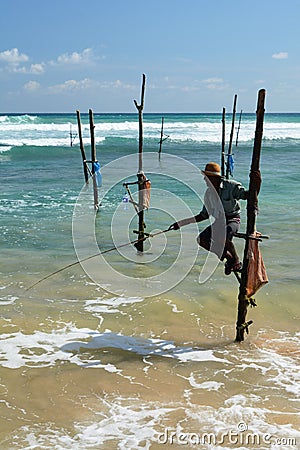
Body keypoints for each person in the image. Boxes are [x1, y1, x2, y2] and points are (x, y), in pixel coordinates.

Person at [169, 162, 261, 275]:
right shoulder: (209, 194)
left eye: (206, 178)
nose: (205, 180)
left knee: (225, 236)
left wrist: (257, 183)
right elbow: (203, 215)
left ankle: (236, 261)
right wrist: (181, 223)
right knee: (201, 240)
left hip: (233, 219)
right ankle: (228, 256)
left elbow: (249, 196)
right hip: (219, 222)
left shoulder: (230, 186)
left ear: (214, 178)